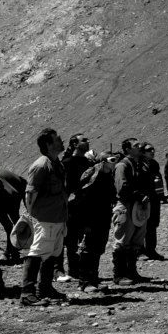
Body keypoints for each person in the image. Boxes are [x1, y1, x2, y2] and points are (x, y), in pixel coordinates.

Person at [21, 128, 69, 306]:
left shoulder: (57, 164)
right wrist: (31, 218)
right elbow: (30, 194)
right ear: (48, 145)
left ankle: (45, 288)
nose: (61, 141)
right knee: (37, 253)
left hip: (57, 217)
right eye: (57, 139)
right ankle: (27, 293)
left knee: (51, 253)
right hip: (45, 219)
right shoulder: (41, 165)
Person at [111, 139, 155, 285]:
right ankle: (119, 275)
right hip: (126, 205)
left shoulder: (141, 164)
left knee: (136, 241)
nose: (139, 147)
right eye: (135, 145)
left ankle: (132, 272)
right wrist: (139, 196)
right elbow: (122, 188)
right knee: (123, 241)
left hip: (139, 206)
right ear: (128, 149)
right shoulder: (122, 166)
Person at [75, 152, 118, 292]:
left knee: (98, 249)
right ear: (103, 161)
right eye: (112, 160)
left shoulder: (108, 176)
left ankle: (94, 279)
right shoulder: (93, 176)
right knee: (88, 249)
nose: (114, 162)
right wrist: (85, 222)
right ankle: (84, 282)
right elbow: (83, 198)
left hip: (103, 216)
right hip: (91, 217)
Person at [60, 133, 92, 282]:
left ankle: (80, 268)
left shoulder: (87, 162)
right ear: (74, 144)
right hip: (72, 206)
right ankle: (70, 269)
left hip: (86, 205)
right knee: (70, 239)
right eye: (83, 140)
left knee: (83, 238)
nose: (87, 141)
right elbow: (66, 187)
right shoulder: (67, 163)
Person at [141, 143, 166, 261]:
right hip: (143, 198)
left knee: (153, 224)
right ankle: (140, 250)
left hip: (155, 198)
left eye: (153, 149)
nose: (152, 151)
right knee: (141, 224)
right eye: (148, 150)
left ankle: (151, 250)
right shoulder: (138, 164)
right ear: (142, 152)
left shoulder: (154, 163)